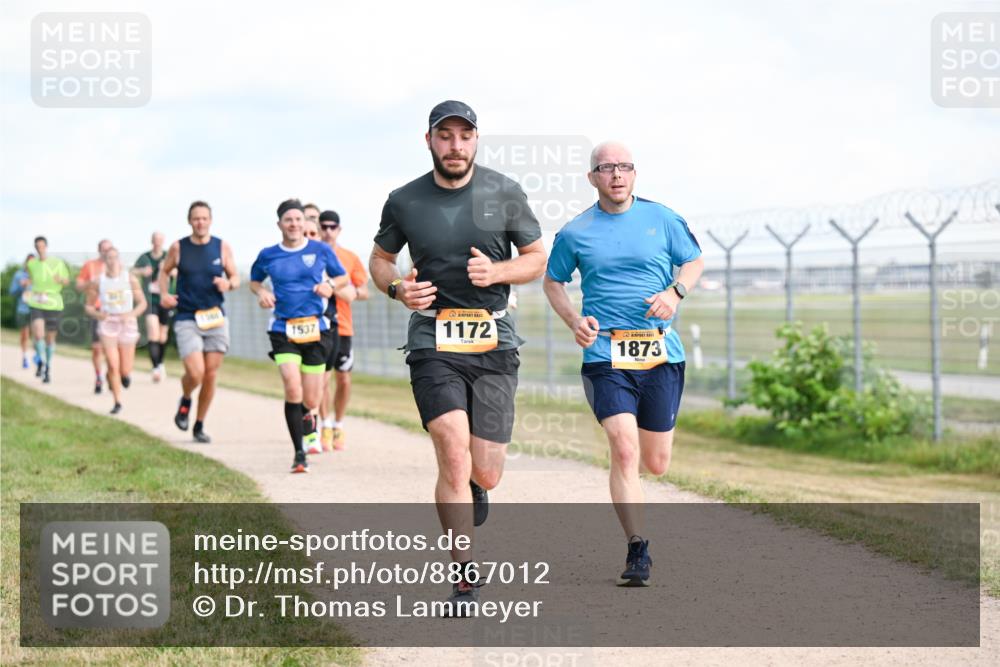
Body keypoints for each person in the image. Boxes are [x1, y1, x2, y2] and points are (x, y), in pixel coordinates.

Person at [369, 101, 545, 611]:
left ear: (476, 140)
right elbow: (380, 261)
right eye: (444, 136)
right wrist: (398, 288)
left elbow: (535, 259)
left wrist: (498, 274)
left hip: (493, 341)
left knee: (485, 470)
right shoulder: (404, 200)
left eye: (464, 136)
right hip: (432, 340)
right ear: (429, 141)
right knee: (450, 444)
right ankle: (464, 577)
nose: (454, 145)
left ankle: (475, 483)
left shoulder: (504, 191)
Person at [543, 141, 705, 587]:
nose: (616, 174)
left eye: (625, 167)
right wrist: (575, 319)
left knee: (656, 463)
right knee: (624, 446)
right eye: (606, 168)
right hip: (604, 355)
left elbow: (693, 261)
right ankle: (637, 546)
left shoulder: (663, 219)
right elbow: (553, 281)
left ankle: (639, 521)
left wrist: (675, 293)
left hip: (658, 353)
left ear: (635, 174)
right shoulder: (575, 232)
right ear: (592, 177)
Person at [249, 199, 346, 472]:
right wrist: (262, 292)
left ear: (305, 223)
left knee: (312, 399)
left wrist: (329, 284)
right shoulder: (269, 254)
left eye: (298, 219)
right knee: (293, 387)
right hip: (283, 328)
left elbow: (343, 278)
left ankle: (308, 416)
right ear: (279, 224)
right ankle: (299, 454)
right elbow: (254, 281)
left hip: (316, 329)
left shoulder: (320, 250)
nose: (293, 224)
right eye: (288, 219)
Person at [159, 201, 240, 444]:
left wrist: (229, 284)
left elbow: (235, 276)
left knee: (211, 375)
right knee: (196, 373)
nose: (200, 222)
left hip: (215, 317)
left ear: (210, 220)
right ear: (189, 221)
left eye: (204, 218)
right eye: (196, 218)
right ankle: (185, 399)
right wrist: (164, 294)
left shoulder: (222, 247)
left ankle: (199, 424)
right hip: (187, 316)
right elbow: (164, 272)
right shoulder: (178, 247)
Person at [318, 209, 370, 451]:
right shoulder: (311, 254)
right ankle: (325, 425)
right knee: (322, 379)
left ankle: (338, 423)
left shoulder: (349, 257)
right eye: (324, 226)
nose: (328, 231)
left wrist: (348, 291)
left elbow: (364, 291)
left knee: (344, 379)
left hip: (344, 326)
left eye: (333, 227)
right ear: (318, 228)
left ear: (338, 230)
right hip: (318, 326)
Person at [84, 247, 147, 414]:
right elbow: (88, 307)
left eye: (114, 258)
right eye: (108, 258)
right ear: (104, 261)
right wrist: (99, 314)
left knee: (125, 369)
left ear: (119, 260)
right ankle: (117, 402)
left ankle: (123, 376)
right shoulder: (99, 281)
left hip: (127, 323)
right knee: (113, 364)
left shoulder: (130, 279)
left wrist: (131, 314)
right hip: (108, 323)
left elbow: (143, 303)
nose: (112, 261)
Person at [25, 236, 70, 383]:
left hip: (53, 303)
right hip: (37, 302)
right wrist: (27, 284)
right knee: (38, 335)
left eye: (42, 246)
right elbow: (32, 278)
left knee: (50, 338)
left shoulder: (57, 262)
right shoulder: (31, 264)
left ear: (46, 247)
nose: (40, 249)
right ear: (35, 248)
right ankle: (42, 362)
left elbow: (67, 280)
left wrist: (60, 280)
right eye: (37, 246)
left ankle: (48, 365)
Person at [132, 232, 174, 382]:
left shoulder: (169, 255)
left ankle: (161, 363)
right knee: (153, 332)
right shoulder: (144, 257)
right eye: (155, 240)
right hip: (149, 299)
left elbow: (178, 271)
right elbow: (132, 271)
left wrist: (167, 269)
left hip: (165, 299)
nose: (157, 242)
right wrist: (142, 271)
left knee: (163, 336)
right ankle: (155, 368)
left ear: (163, 241)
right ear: (151, 241)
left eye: (160, 240)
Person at [76, 239, 112, 393]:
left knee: (110, 349)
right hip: (96, 310)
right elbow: (78, 287)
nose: (106, 252)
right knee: (97, 349)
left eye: (108, 249)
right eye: (103, 249)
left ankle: (112, 374)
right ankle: (99, 377)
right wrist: (91, 283)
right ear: (99, 250)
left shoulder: (117, 267)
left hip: (113, 311)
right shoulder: (90, 266)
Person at [9, 254, 37, 369]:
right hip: (23, 308)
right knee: (25, 334)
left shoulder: (39, 276)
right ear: (26, 263)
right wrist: (21, 286)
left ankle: (37, 355)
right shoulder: (19, 275)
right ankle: (25, 357)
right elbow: (12, 292)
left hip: (36, 308)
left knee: (37, 333)